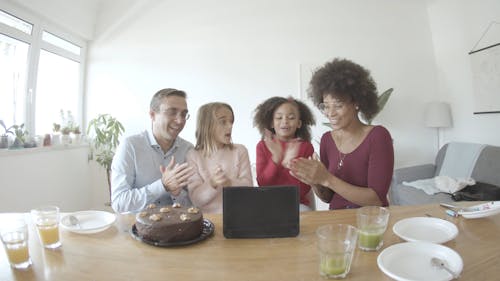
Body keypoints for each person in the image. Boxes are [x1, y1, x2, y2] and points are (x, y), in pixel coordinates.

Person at [289, 58, 394, 209]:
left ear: (357, 103)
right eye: (325, 106)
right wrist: (315, 181)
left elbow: (376, 199)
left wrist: (327, 178)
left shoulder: (378, 136)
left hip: (369, 220)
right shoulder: (327, 140)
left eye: (338, 105)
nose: (330, 113)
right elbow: (328, 197)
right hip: (337, 220)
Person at [111, 88, 194, 213]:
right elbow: (119, 203)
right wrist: (162, 185)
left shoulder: (188, 149)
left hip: (177, 225)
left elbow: (192, 206)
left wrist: (177, 194)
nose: (180, 120)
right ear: (152, 115)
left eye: (183, 114)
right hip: (137, 227)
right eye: (172, 112)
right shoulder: (130, 146)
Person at [187, 102, 253, 214]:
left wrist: (229, 183)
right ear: (207, 126)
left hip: (239, 216)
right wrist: (212, 183)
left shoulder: (240, 151)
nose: (230, 126)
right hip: (208, 220)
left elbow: (249, 189)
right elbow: (196, 200)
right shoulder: (193, 155)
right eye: (223, 122)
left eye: (231, 121)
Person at [253, 96, 316, 211]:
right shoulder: (262, 146)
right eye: (279, 117)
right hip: (268, 204)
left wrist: (290, 166)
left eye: (291, 117)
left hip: (297, 204)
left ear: (299, 123)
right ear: (272, 123)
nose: (285, 121)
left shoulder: (306, 147)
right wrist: (277, 159)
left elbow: (304, 189)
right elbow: (263, 184)